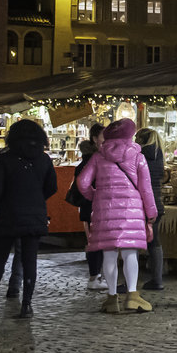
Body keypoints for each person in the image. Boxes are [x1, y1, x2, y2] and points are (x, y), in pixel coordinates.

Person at [0, 119, 58, 317]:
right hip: (35, 216)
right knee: (29, 260)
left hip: (8, 214)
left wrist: (1, 205)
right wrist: (36, 200)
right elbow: (52, 187)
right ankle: (26, 304)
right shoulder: (44, 159)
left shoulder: (5, 159)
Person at [77, 119, 157, 314]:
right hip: (132, 210)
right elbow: (146, 189)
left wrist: (95, 195)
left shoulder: (98, 156)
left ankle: (112, 298)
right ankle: (132, 296)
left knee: (109, 254)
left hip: (105, 210)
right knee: (130, 253)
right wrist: (151, 214)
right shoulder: (138, 156)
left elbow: (82, 182)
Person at [68, 123, 105, 291]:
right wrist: (93, 196)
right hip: (91, 206)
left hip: (96, 206)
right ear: (95, 139)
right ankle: (94, 276)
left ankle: (97, 275)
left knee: (99, 242)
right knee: (95, 242)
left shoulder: (98, 157)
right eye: (104, 136)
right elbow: (82, 183)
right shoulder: (91, 160)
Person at [134, 127, 167, 290]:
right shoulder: (158, 154)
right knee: (155, 241)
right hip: (157, 203)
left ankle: (130, 281)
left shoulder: (139, 156)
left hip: (141, 202)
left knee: (132, 242)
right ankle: (157, 278)